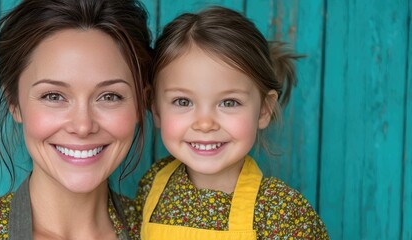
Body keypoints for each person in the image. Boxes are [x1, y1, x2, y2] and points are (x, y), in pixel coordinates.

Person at [0, 0, 152, 239]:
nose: (83, 126)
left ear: (142, 103)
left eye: (110, 96)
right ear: (14, 103)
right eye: (54, 96)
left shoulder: (168, 231)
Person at [134, 6, 329, 239]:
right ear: (155, 108)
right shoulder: (154, 184)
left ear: (264, 110)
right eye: (183, 101)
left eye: (229, 103)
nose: (205, 124)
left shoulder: (282, 211)